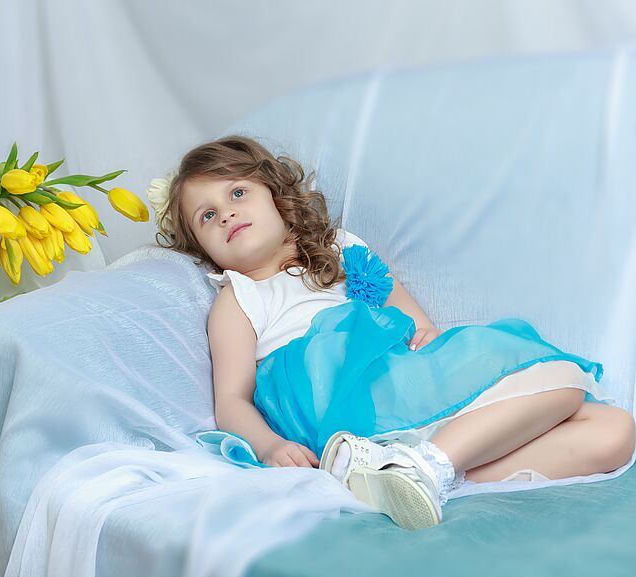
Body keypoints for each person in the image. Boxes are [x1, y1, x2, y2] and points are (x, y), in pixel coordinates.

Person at [148, 135, 636, 530]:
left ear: (277, 197)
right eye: (207, 216)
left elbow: (406, 313)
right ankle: (431, 465)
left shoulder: (342, 247)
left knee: (615, 432)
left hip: (403, 380)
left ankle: (421, 476)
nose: (227, 213)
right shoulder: (240, 298)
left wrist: (424, 333)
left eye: (237, 193)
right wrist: (270, 446)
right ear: (204, 249)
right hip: (339, 399)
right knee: (563, 378)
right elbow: (232, 399)